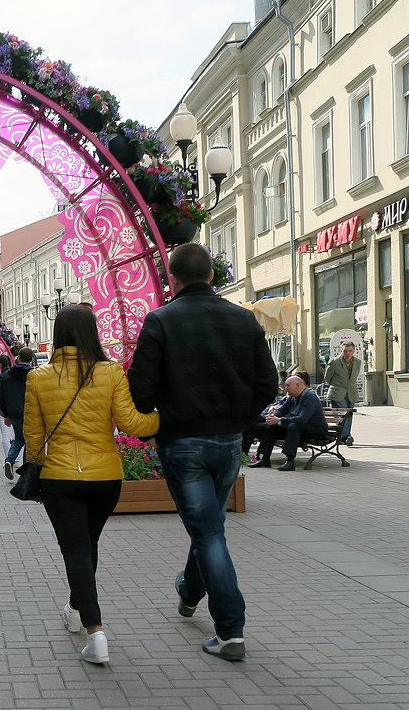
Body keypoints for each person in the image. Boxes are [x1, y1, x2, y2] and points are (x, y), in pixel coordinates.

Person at [128, 243, 277, 662]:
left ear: (172, 279)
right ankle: (189, 592)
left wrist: (160, 418)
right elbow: (269, 383)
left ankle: (230, 630)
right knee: (210, 529)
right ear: (212, 276)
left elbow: (139, 389)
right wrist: (240, 421)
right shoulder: (243, 319)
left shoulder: (160, 321)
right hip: (228, 442)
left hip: (182, 443)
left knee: (208, 532)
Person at [25, 305, 159, 665]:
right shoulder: (111, 371)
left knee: (75, 550)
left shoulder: (38, 377)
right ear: (92, 333)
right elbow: (130, 423)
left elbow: (34, 437)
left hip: (60, 477)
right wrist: (163, 417)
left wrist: (37, 468)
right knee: (87, 544)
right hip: (105, 477)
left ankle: (95, 631)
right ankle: (74, 606)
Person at [248, 376, 329, 471]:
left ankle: (290, 461)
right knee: (273, 427)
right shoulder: (292, 397)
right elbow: (281, 410)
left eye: (288, 385)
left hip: (316, 429)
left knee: (293, 426)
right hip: (299, 427)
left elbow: (302, 419)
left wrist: (279, 420)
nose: (286, 388)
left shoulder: (310, 397)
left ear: (297, 385)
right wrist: (273, 416)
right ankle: (264, 459)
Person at [0, 350, 34, 480]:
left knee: (19, 438)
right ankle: (25, 470)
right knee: (28, 440)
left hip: (14, 413)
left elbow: (1, 397)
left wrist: (6, 415)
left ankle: (9, 460)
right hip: (31, 413)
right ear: (31, 359)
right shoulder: (34, 374)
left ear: (18, 358)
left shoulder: (6, 376)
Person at [322, 342, 360, 444]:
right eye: (345, 351)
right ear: (341, 351)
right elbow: (327, 377)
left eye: (350, 351)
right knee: (342, 414)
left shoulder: (358, 362)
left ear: (354, 351)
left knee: (349, 415)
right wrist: (336, 386)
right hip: (337, 392)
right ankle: (345, 436)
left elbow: (353, 378)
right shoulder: (334, 362)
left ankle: (341, 436)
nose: (347, 353)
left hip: (351, 392)